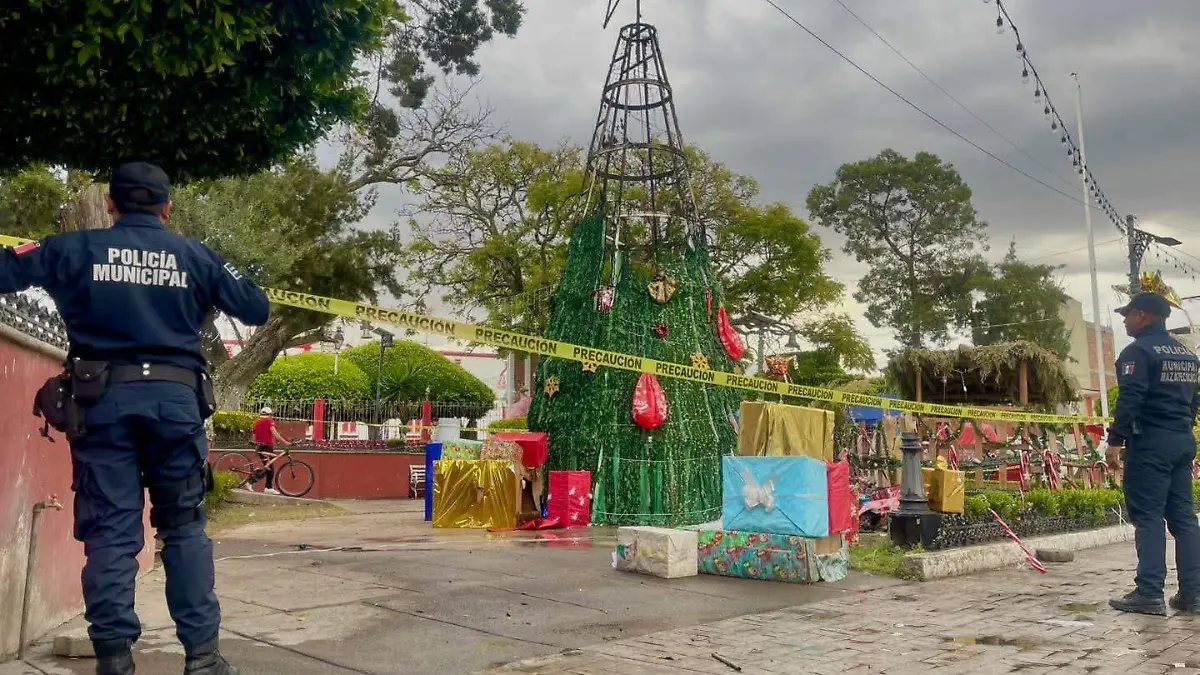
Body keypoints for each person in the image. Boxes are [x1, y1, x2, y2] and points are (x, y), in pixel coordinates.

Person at [0, 162, 269, 674]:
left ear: (111, 204)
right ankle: (204, 660)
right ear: (167, 207)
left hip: (103, 404)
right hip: (175, 404)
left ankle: (115, 661)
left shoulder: (72, 249)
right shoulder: (195, 255)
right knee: (185, 527)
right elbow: (255, 307)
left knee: (111, 534)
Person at [1107, 292, 1200, 616]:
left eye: (1128, 314)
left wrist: (1115, 440)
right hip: (1181, 440)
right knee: (1184, 518)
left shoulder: (1138, 352)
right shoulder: (1187, 355)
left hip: (1150, 444)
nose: (1124, 320)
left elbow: (1130, 399)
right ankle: (1193, 593)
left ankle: (1149, 592)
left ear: (1143, 316)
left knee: (1148, 516)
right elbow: (1193, 402)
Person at [251, 406, 293, 494]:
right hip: (267, 446)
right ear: (270, 414)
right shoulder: (269, 421)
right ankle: (253, 482)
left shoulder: (257, 422)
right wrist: (285, 442)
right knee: (269, 467)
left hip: (260, 446)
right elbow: (275, 434)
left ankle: (267, 487)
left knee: (268, 467)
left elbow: (254, 437)